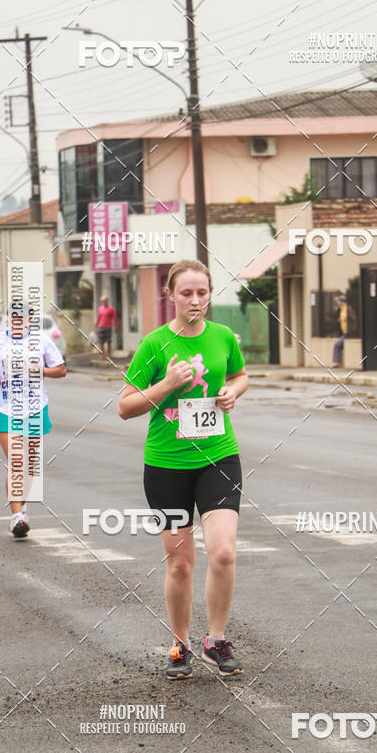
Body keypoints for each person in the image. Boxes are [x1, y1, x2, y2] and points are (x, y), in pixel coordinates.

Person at [118, 259, 249, 681]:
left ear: (210, 294)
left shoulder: (224, 336)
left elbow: (240, 375)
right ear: (170, 295)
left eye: (202, 293)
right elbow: (125, 406)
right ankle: (181, 644)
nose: (195, 300)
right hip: (167, 464)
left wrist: (231, 392)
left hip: (219, 457)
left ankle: (215, 640)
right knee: (180, 564)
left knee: (224, 551)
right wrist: (168, 385)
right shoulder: (154, 345)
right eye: (187, 293)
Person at [0, 306, 66, 538]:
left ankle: (22, 509)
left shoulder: (42, 341)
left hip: (34, 408)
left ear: (29, 321)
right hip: (3, 407)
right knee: (17, 459)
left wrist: (42, 371)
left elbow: (61, 370)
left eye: (22, 318)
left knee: (29, 465)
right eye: (14, 318)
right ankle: (17, 516)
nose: (18, 322)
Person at [94, 296, 118, 361]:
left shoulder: (111, 309)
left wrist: (116, 327)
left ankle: (109, 355)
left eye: (104, 300)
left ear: (107, 301)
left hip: (108, 327)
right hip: (101, 327)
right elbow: (99, 317)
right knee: (101, 342)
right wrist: (95, 325)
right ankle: (102, 355)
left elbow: (115, 318)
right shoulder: (100, 308)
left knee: (108, 342)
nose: (103, 302)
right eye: (102, 301)